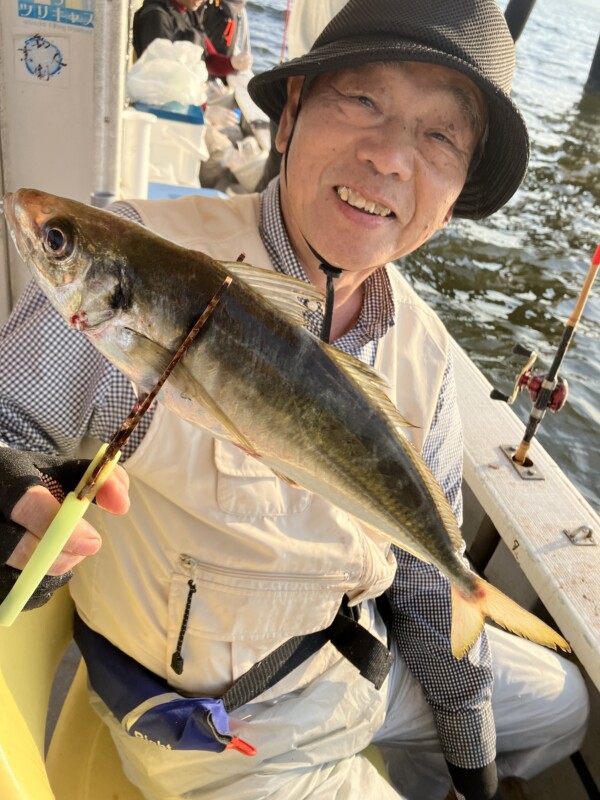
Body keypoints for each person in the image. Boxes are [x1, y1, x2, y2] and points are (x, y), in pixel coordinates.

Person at [0, 1, 589, 798]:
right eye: (362, 100)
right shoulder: (135, 262)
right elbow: (10, 426)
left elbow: (421, 582)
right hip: (222, 734)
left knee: (564, 706)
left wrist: (469, 755)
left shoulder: (421, 349)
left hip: (350, 667)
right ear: (290, 119)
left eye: (441, 136)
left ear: (454, 201)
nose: (388, 157)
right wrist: (12, 490)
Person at [132, 0, 252, 79]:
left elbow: (209, 59)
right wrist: (206, 111)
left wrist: (232, 63)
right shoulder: (156, 17)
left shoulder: (190, 12)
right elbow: (160, 75)